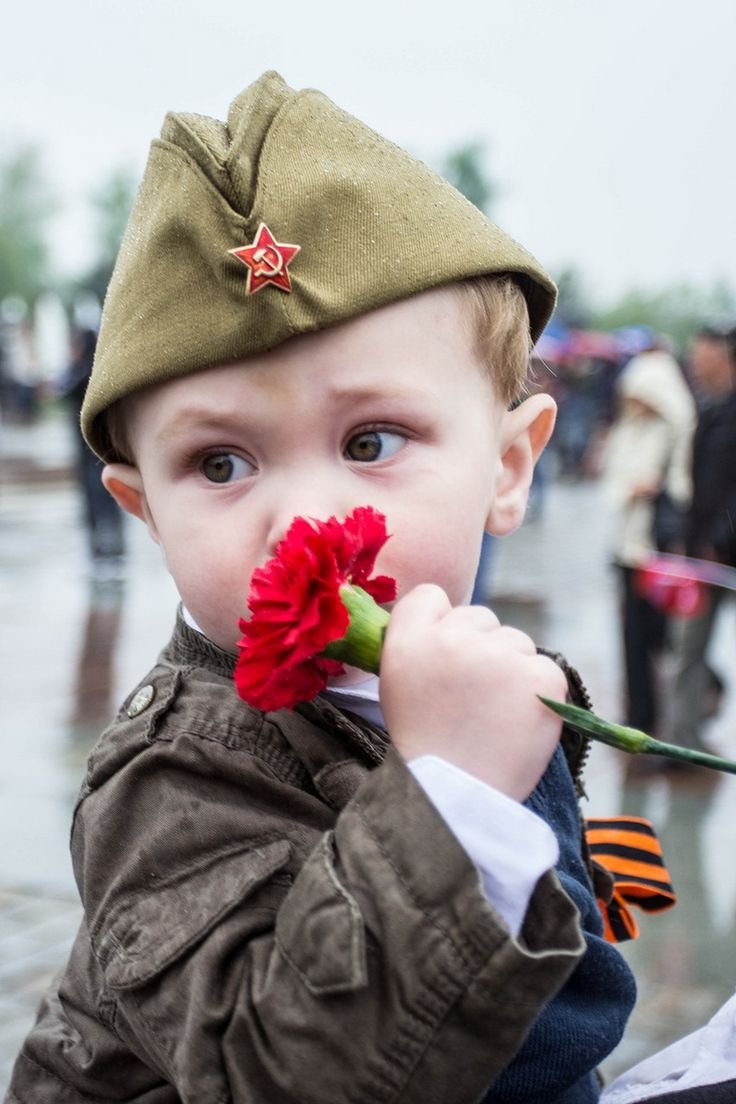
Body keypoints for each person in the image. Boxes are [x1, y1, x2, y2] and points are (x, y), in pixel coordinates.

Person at [7, 72, 638, 1103]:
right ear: (143, 511)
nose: (300, 519)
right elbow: (276, 1077)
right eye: (219, 464)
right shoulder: (172, 778)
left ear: (510, 466)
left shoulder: (451, 664)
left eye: (370, 440)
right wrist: (454, 802)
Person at [601, 342, 695, 737]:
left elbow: (680, 485)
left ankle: (683, 700)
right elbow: (614, 481)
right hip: (627, 547)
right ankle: (640, 712)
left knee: (660, 633)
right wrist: (631, 490)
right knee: (633, 635)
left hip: (657, 550)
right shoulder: (627, 431)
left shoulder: (673, 433)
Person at [667, 326, 736, 754]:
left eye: (702, 352)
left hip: (720, 550)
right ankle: (682, 738)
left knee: (689, 647)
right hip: (704, 553)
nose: (694, 360)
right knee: (688, 645)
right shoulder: (710, 406)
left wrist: (720, 537)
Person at [59, 326, 126, 571]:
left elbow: (63, 389)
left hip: (96, 455)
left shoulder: (87, 374)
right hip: (94, 453)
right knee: (100, 500)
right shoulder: (93, 372)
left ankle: (108, 551)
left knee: (102, 500)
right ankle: (106, 549)